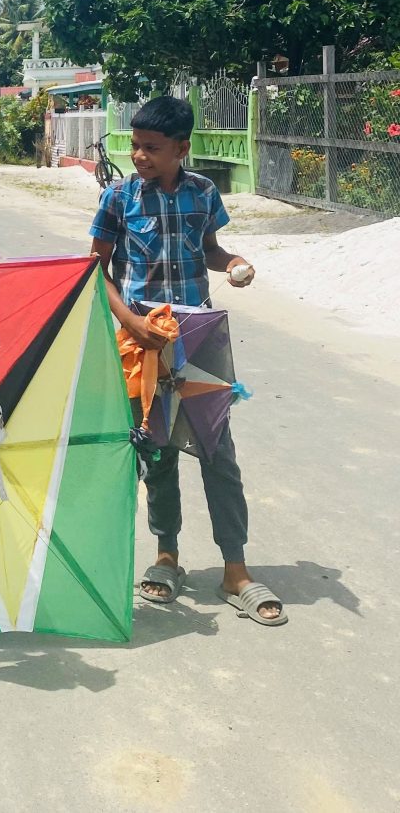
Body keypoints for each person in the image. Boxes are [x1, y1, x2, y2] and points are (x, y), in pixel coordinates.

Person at [88, 96, 286, 627]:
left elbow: (211, 251)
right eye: (134, 145)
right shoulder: (118, 198)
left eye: (152, 148)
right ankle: (167, 555)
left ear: (182, 148)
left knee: (218, 451)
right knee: (157, 454)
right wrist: (132, 323)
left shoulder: (203, 194)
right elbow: (96, 272)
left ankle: (235, 570)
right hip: (142, 341)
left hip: (198, 340)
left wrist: (235, 263)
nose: (139, 156)